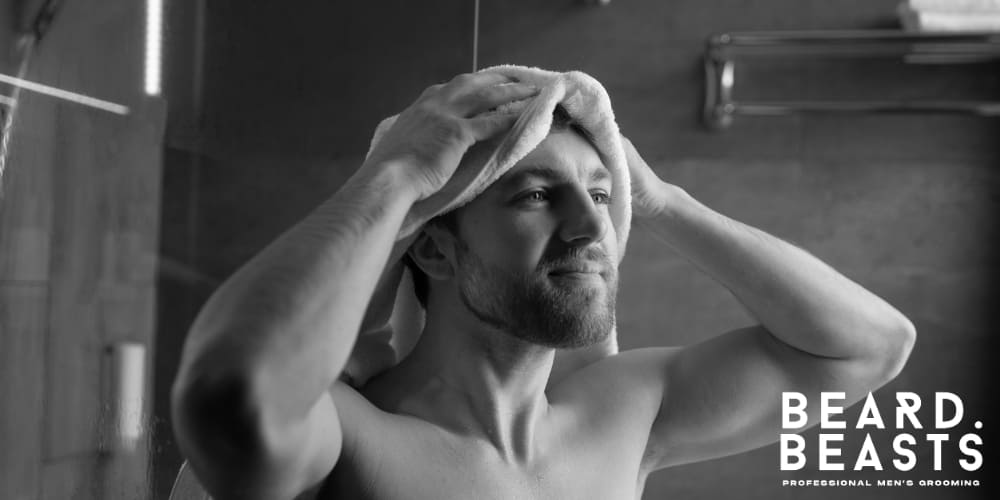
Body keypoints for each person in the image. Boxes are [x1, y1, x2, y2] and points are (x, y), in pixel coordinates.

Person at [171, 71, 915, 500]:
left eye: (599, 195)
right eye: (534, 196)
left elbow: (866, 349)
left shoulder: (620, 418)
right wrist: (393, 176)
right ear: (432, 248)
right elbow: (230, 397)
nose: (593, 229)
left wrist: (658, 200)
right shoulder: (350, 438)